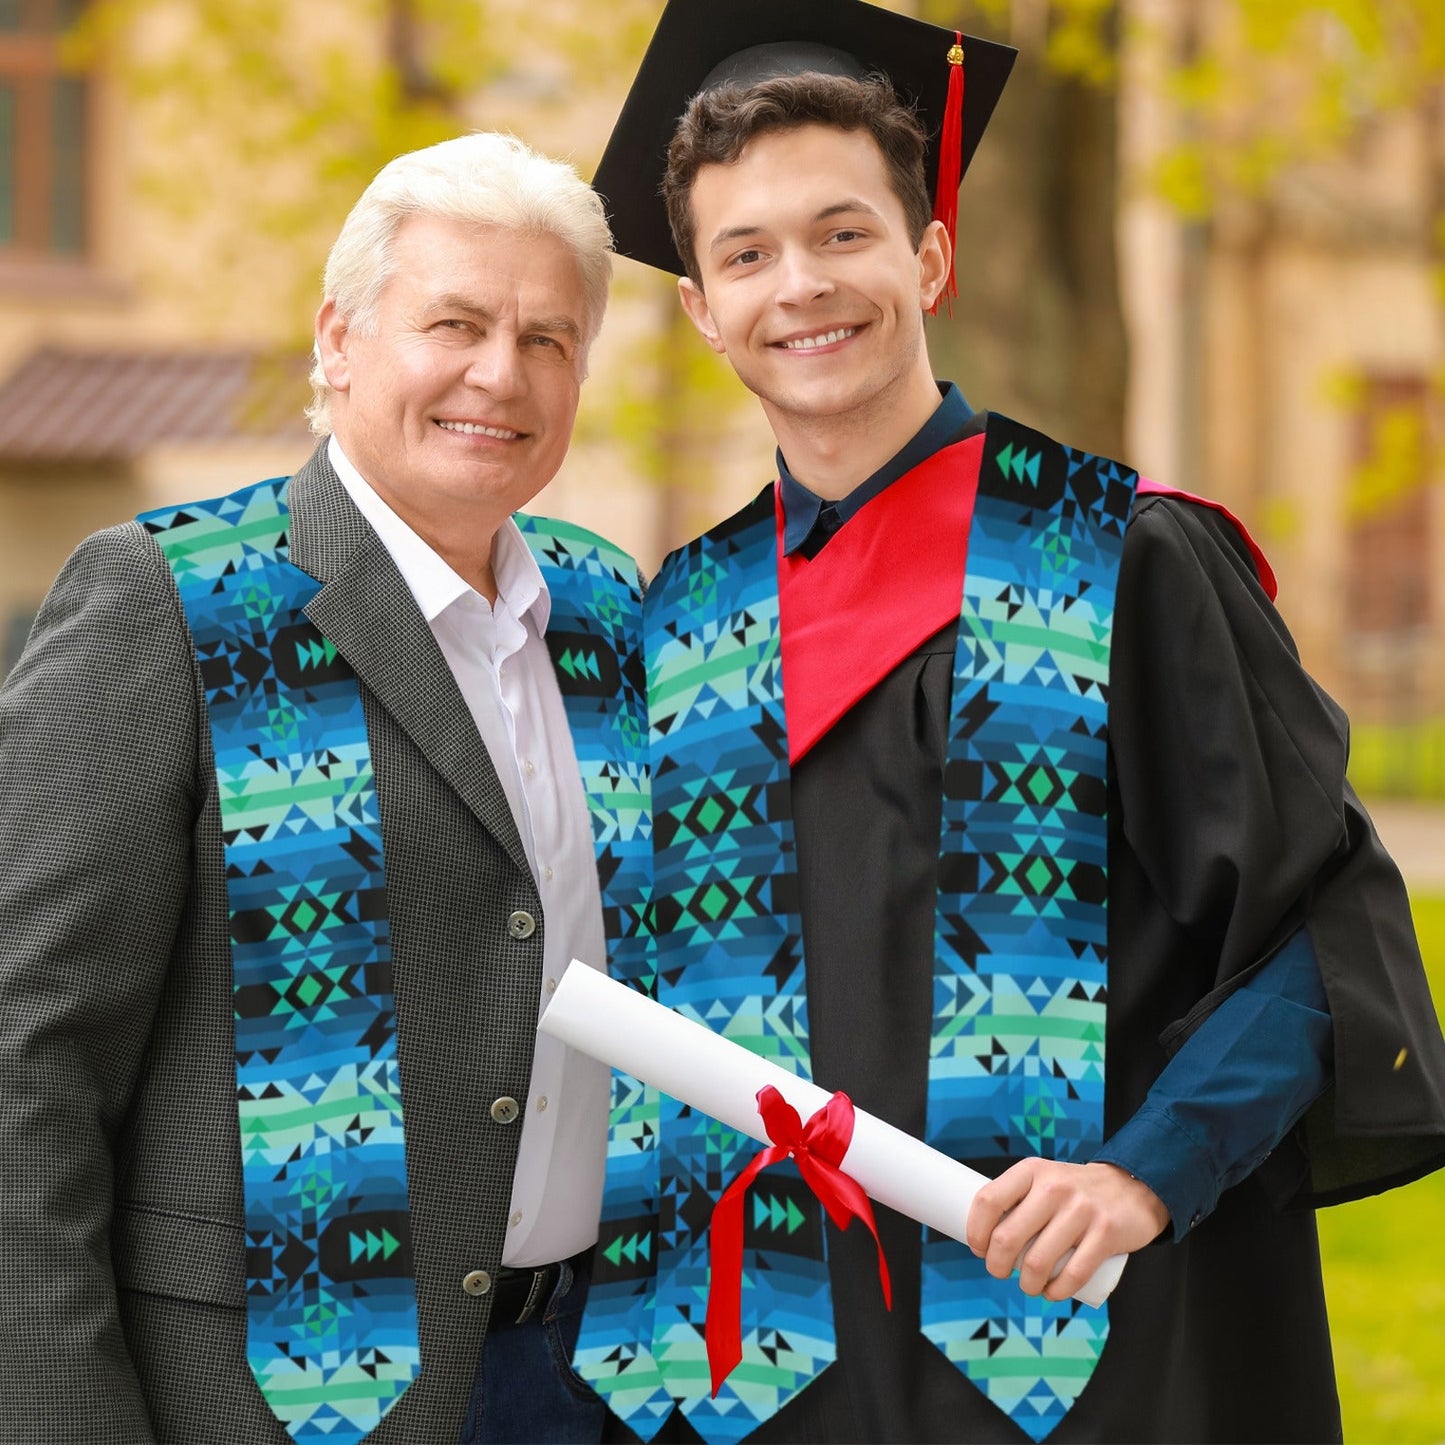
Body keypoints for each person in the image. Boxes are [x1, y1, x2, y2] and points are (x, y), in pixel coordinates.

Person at [573, 2, 1445, 1442]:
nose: (800, 285)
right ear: (700, 307)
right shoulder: (677, 624)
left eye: (843, 233)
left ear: (928, 254)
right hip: (773, 1378)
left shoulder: (1124, 561)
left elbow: (1317, 932)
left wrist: (1143, 1171)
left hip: (1089, 1347)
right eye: (745, 254)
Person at [0, 131, 649, 1445]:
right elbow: (27, 1057)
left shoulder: (607, 613)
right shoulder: (171, 601)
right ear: (339, 340)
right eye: (454, 322)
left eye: (546, 339)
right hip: (275, 1400)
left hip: (591, 1382)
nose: (498, 373)